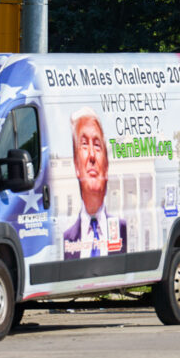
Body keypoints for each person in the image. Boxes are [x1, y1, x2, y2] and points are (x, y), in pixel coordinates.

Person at [63, 107, 127, 259]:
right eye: (84, 144)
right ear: (76, 164)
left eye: (97, 145)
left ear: (106, 166)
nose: (92, 155)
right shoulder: (67, 238)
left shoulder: (122, 228)